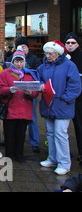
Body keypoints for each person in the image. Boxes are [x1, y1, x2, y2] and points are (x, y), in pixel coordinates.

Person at [38, 40, 81, 175]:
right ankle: (53, 158)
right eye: (46, 53)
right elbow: (37, 77)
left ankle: (64, 163)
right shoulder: (44, 65)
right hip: (48, 103)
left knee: (61, 134)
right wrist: (40, 84)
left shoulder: (69, 65)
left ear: (58, 53)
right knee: (50, 133)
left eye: (50, 53)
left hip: (62, 105)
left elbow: (75, 85)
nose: (48, 56)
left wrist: (65, 98)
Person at [0, 48, 40, 163]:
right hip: (11, 109)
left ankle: (19, 154)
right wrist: (9, 89)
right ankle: (10, 155)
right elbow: (0, 90)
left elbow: (36, 92)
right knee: (9, 134)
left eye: (21, 62)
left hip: (24, 109)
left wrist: (30, 92)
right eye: (16, 61)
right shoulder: (5, 74)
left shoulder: (30, 74)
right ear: (12, 62)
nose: (19, 64)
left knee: (21, 135)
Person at [5, 37, 42, 152]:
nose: (22, 49)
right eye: (19, 46)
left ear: (28, 48)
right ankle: (13, 141)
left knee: (32, 118)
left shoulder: (34, 59)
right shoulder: (11, 58)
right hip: (15, 94)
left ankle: (34, 142)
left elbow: (38, 75)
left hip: (28, 93)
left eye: (24, 47)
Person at [64, 32, 82, 164]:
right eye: (68, 43)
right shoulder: (63, 58)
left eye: (73, 43)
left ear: (77, 44)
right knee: (62, 128)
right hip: (64, 98)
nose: (70, 45)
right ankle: (65, 152)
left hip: (79, 99)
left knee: (79, 126)